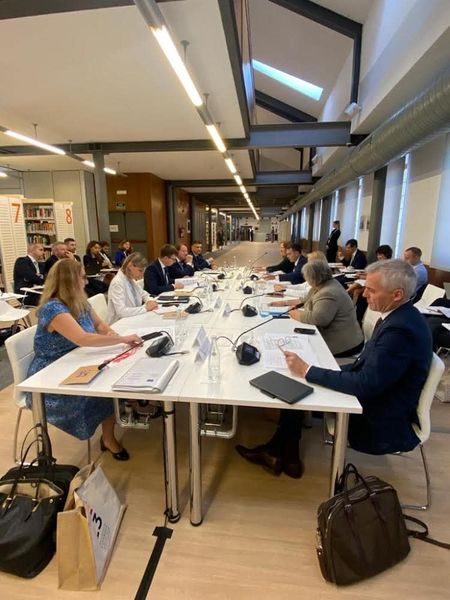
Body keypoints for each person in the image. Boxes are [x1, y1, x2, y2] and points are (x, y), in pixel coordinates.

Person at [237, 260, 432, 479]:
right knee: (300, 383)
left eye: (371, 290)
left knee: (300, 385)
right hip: (381, 398)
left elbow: (366, 384)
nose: (363, 294)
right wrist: (315, 369)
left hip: (380, 420)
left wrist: (309, 371)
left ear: (397, 294)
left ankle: (281, 453)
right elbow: (367, 368)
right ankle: (285, 455)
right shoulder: (401, 317)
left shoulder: (400, 332)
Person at [26, 259, 142, 460]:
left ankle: (111, 433)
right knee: (104, 393)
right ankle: (108, 438)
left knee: (111, 380)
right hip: (51, 373)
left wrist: (111, 333)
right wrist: (121, 339)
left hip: (76, 360)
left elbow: (99, 325)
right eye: (82, 277)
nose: (86, 282)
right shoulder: (53, 308)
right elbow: (83, 338)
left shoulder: (79, 301)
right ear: (69, 281)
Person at [271, 260, 364, 357]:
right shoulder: (324, 284)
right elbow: (305, 300)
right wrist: (284, 303)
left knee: (297, 352)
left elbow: (318, 319)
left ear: (312, 278)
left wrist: (294, 313)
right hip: (339, 336)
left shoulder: (328, 292)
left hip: (344, 344)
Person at [107, 252, 158, 324]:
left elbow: (143, 294)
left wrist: (150, 301)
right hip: (120, 323)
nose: (142, 274)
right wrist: (145, 308)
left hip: (133, 319)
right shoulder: (117, 283)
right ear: (130, 265)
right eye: (140, 270)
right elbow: (121, 312)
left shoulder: (130, 279)